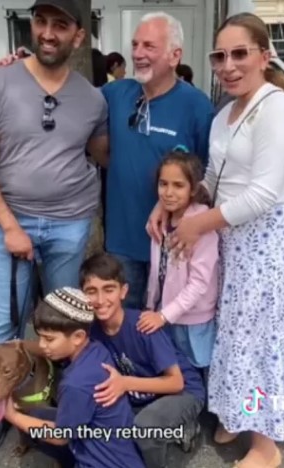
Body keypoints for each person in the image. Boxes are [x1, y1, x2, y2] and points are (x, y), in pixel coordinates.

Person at [149, 13, 284, 467]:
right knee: (234, 334)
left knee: (260, 338)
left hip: (269, 240)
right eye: (220, 56)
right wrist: (170, 204)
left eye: (240, 53)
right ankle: (240, 412)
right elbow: (215, 182)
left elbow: (261, 193)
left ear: (264, 55)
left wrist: (197, 225)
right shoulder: (225, 115)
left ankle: (265, 445)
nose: (229, 64)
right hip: (232, 238)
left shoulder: (279, 108)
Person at [0, 0, 108, 455]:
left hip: (70, 222)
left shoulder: (93, 97)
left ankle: (58, 405)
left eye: (59, 25)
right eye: (40, 22)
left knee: (61, 323)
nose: (47, 32)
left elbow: (99, 153)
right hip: (14, 223)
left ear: (78, 37)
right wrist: (9, 226)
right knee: (7, 325)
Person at [101, 12, 214, 310]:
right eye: (135, 45)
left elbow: (207, 175)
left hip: (174, 244)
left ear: (175, 55)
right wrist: (20, 70)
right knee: (124, 329)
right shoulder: (115, 93)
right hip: (122, 241)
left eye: (149, 46)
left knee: (167, 331)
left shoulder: (197, 105)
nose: (137, 53)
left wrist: (169, 203)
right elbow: (68, 99)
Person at [84, 253, 205, 468]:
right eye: (91, 291)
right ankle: (169, 430)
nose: (100, 300)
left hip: (183, 391)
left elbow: (176, 382)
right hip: (141, 396)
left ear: (123, 291)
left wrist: (124, 383)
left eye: (108, 289)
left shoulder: (143, 326)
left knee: (144, 429)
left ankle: (184, 425)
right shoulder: (92, 331)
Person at [5, 288, 145, 468]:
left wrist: (12, 415)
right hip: (122, 448)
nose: (42, 345)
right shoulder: (97, 350)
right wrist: (19, 345)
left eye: (49, 339)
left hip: (102, 462)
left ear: (78, 337)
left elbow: (61, 436)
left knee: (32, 423)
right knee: (37, 414)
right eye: (40, 337)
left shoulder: (74, 385)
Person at [138, 151, 218, 380]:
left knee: (198, 370)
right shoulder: (160, 223)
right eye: (163, 184)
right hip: (165, 312)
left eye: (178, 185)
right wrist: (152, 306)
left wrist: (164, 315)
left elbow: (199, 283)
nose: (169, 192)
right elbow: (158, 271)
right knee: (173, 369)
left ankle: (205, 413)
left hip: (193, 318)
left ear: (193, 189)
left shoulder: (202, 228)